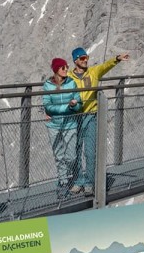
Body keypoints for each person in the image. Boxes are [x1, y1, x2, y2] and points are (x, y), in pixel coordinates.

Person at [66, 47, 130, 195]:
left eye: (86, 57)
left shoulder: (94, 72)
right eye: (82, 58)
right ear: (75, 61)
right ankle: (77, 181)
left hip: (91, 116)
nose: (85, 60)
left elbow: (105, 66)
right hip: (74, 118)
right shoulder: (68, 77)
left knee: (90, 153)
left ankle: (89, 182)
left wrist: (117, 59)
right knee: (74, 152)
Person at [41, 57, 81, 198]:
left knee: (71, 157)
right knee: (59, 156)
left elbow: (79, 104)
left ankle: (72, 178)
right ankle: (63, 183)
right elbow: (48, 106)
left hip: (70, 124)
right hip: (54, 125)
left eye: (67, 67)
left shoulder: (72, 83)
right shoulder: (48, 85)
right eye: (63, 68)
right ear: (56, 70)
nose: (66, 70)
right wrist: (67, 107)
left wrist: (74, 105)